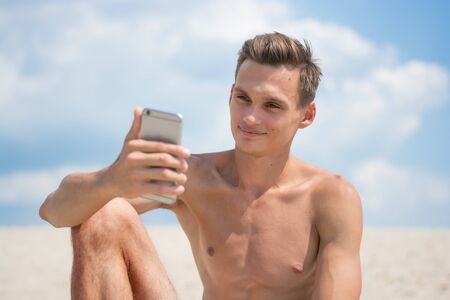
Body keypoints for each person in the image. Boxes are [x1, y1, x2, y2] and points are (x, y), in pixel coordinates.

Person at [40, 32, 363, 300]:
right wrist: (111, 181)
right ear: (230, 95)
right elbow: (54, 213)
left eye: (272, 105)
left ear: (306, 115)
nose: (251, 117)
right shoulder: (190, 177)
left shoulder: (329, 197)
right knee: (104, 212)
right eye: (243, 98)